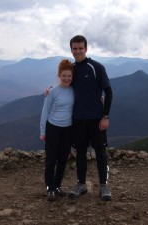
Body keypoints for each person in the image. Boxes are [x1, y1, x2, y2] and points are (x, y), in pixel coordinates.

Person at [67, 35, 113, 201]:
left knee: (100, 152)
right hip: (78, 119)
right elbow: (64, 88)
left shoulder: (96, 67)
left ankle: (103, 185)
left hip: (96, 118)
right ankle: (81, 184)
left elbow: (108, 91)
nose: (77, 51)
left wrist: (105, 116)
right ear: (71, 50)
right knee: (80, 152)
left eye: (80, 48)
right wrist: (49, 93)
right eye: (75, 48)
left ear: (86, 49)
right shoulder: (71, 69)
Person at [39, 59, 74, 202]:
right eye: (64, 76)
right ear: (59, 75)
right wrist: (42, 131)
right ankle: (50, 188)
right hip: (53, 127)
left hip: (68, 129)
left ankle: (58, 185)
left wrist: (100, 100)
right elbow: (45, 111)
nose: (66, 79)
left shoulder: (74, 90)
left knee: (63, 159)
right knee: (51, 159)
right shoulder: (52, 92)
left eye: (69, 76)